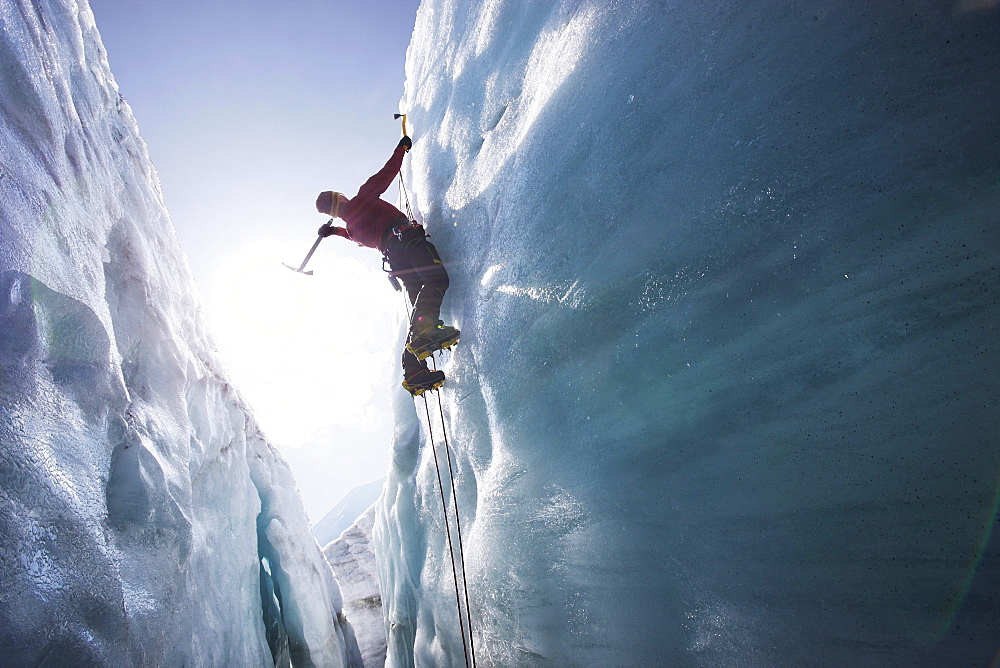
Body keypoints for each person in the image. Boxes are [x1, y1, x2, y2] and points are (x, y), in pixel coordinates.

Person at [315, 136, 459, 396]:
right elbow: (387, 173)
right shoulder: (361, 199)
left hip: (396, 261)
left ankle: (414, 371)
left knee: (419, 311)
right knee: (437, 280)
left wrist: (334, 231)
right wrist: (402, 147)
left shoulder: (353, 229)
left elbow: (353, 237)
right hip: (407, 242)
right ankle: (426, 332)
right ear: (340, 197)